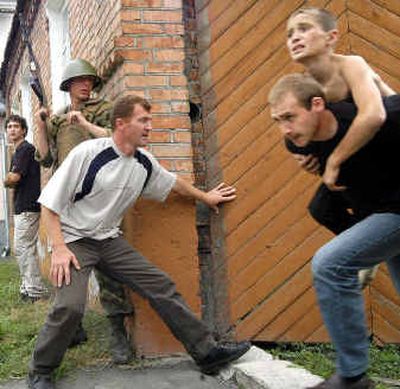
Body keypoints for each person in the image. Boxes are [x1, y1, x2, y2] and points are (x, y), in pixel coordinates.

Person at [27, 94, 251, 389]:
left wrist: (205, 196)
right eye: (142, 120)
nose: (149, 126)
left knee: (161, 285)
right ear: (121, 124)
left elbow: (173, 182)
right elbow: (49, 204)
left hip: (108, 240)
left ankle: (206, 352)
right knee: (69, 307)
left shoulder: (144, 162)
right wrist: (58, 248)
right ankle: (41, 371)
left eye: (150, 120)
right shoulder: (88, 153)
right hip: (73, 239)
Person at [268, 73, 400, 389]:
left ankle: (352, 375)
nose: (284, 129)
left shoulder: (374, 120)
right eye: (277, 120)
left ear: (317, 105)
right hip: (376, 211)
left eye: (289, 117)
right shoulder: (299, 142)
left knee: (331, 264)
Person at [285, 7, 397, 286]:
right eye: (289, 34)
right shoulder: (306, 88)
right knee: (322, 207)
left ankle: (368, 255)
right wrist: (309, 158)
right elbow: (308, 135)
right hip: (363, 163)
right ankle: (368, 254)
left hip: (390, 149)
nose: (295, 38)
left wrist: (333, 162)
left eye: (304, 28)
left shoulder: (351, 65)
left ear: (331, 37)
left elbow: (373, 115)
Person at [35, 58, 135, 362]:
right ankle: (73, 325)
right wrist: (41, 124)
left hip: (99, 195)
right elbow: (44, 158)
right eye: (80, 81)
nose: (86, 85)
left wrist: (84, 123)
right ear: (68, 86)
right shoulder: (58, 118)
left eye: (90, 80)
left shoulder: (106, 110)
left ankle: (118, 330)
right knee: (66, 261)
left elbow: (116, 140)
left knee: (109, 268)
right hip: (66, 200)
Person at [3, 115, 48, 302]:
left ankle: (35, 290)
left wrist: (6, 179)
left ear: (23, 130)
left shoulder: (25, 150)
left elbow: (13, 178)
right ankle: (27, 287)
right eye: (9, 127)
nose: (12, 130)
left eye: (16, 126)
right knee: (23, 248)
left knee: (23, 247)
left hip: (28, 206)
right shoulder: (19, 150)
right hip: (23, 206)